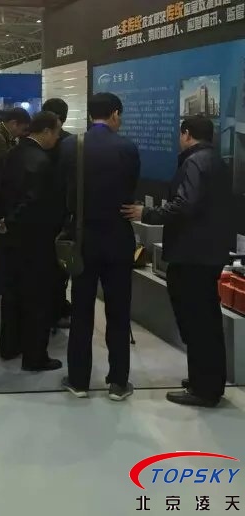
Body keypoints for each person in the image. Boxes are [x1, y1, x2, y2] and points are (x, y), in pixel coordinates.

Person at [123, 115, 233, 408]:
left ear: (186, 133)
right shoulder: (216, 160)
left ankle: (204, 389)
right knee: (206, 319)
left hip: (193, 253)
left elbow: (186, 204)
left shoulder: (195, 162)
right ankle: (206, 380)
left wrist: (147, 214)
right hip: (209, 251)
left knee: (197, 320)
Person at [61, 93, 140, 402]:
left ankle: (79, 380)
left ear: (89, 114)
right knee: (118, 312)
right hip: (118, 238)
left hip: (82, 239)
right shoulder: (127, 147)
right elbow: (130, 189)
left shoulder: (71, 146)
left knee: (81, 310)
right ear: (115, 114)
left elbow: (65, 190)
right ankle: (118, 382)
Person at [0, 111, 63, 371]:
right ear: (45, 131)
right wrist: (13, 220)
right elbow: (33, 201)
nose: (57, 139)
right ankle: (35, 356)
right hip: (35, 240)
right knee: (37, 298)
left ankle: (9, 345)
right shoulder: (41, 161)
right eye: (56, 133)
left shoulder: (13, 153)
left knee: (12, 294)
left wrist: (3, 221)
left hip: (9, 238)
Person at [0, 108, 32, 304]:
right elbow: (6, 164)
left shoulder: (1, 134)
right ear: (13, 123)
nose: (22, 134)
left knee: (2, 245)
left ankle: (0, 288)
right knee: (0, 246)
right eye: (22, 129)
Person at [42, 97, 73, 329]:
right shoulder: (71, 143)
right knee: (60, 264)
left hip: (34, 214)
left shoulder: (29, 141)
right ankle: (57, 308)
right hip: (62, 213)